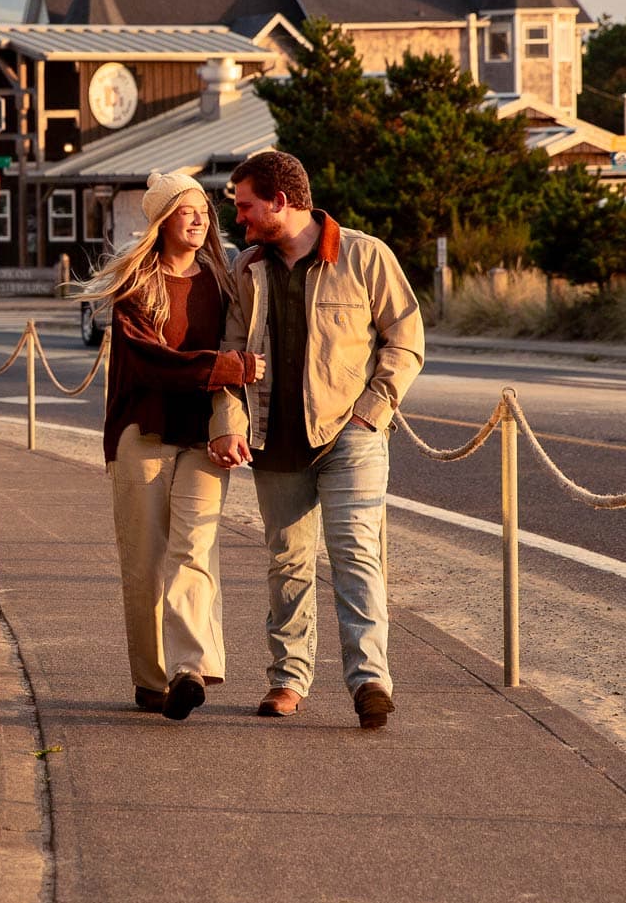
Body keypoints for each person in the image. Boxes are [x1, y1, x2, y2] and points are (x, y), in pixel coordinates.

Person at [208, 151, 425, 731]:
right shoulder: (245, 268)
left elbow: (404, 339)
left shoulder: (364, 255)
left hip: (349, 435)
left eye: (247, 207)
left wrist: (370, 412)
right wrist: (228, 424)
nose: (240, 220)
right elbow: (228, 359)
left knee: (356, 553)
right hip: (271, 440)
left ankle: (369, 680)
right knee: (287, 562)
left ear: (280, 202)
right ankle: (287, 680)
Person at [79, 171, 259, 721]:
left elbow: (238, 349)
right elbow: (150, 364)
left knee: (194, 548)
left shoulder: (220, 281)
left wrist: (231, 416)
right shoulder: (136, 287)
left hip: (203, 437)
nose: (200, 218)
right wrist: (224, 368)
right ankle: (151, 680)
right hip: (145, 434)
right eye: (188, 210)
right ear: (162, 221)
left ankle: (187, 669)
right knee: (144, 561)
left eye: (204, 209)